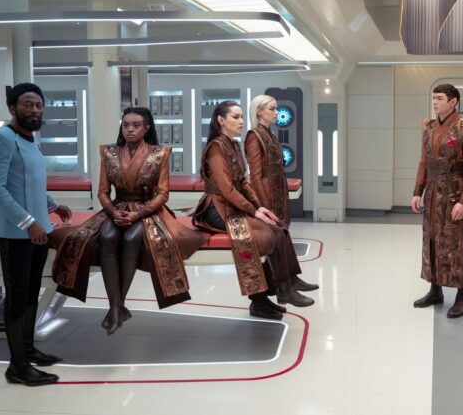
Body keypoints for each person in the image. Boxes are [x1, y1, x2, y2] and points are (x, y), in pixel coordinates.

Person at [52, 107, 207, 335]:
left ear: (146, 128)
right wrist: (113, 212)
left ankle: (117, 304)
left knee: (132, 237)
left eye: (136, 125)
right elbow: (103, 192)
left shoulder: (159, 153)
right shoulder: (109, 153)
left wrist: (138, 214)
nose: (130, 129)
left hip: (147, 209)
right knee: (107, 236)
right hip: (117, 207)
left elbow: (163, 194)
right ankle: (116, 306)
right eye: (125, 125)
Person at [0, 82, 71, 386]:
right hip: (15, 234)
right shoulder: (1, 139)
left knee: (32, 293)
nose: (34, 110)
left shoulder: (32, 139)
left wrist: (54, 205)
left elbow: (31, 183)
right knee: (18, 297)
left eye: (39, 105)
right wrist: (28, 223)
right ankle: (17, 366)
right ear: (12, 108)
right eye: (27, 104)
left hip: (39, 230)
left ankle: (29, 349)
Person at [194, 101, 312, 321]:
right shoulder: (216, 148)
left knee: (277, 228)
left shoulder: (233, 145)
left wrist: (259, 207)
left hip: (232, 207)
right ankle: (267, 297)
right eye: (235, 117)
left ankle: (281, 288)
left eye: (241, 117)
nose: (241, 121)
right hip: (217, 210)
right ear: (221, 120)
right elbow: (227, 190)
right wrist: (253, 211)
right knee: (259, 235)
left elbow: (243, 183)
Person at [410, 84, 463, 318]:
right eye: (434, 98)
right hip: (432, 192)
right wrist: (417, 191)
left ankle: (462, 296)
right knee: (431, 238)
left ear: (453, 102)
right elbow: (424, 161)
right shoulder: (429, 126)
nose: (435, 102)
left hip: (454, 193)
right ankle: (435, 289)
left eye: (439, 98)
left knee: (457, 242)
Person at [245, 94, 319, 304]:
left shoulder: (269, 134)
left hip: (277, 191)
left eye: (276, 108)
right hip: (267, 195)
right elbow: (256, 176)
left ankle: (292, 279)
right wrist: (263, 204)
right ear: (259, 112)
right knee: (278, 235)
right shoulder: (254, 136)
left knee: (283, 233)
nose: (277, 113)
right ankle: (285, 287)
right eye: (272, 109)